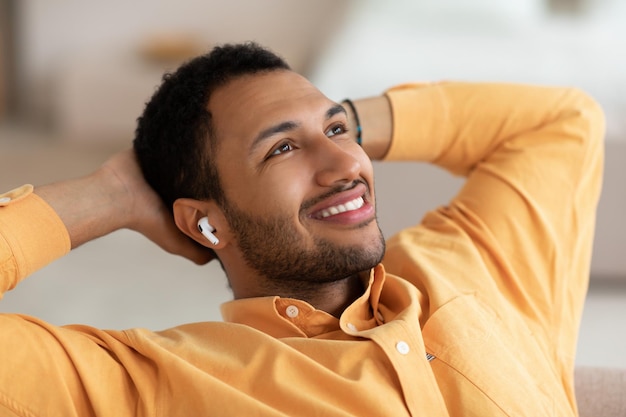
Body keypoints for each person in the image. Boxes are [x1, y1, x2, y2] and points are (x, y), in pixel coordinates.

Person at [0, 42, 604, 416]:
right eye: (282, 148)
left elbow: (560, 122)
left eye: (339, 134)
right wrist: (111, 195)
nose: (348, 167)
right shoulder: (149, 384)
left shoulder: (475, 261)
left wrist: (346, 117)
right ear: (203, 221)